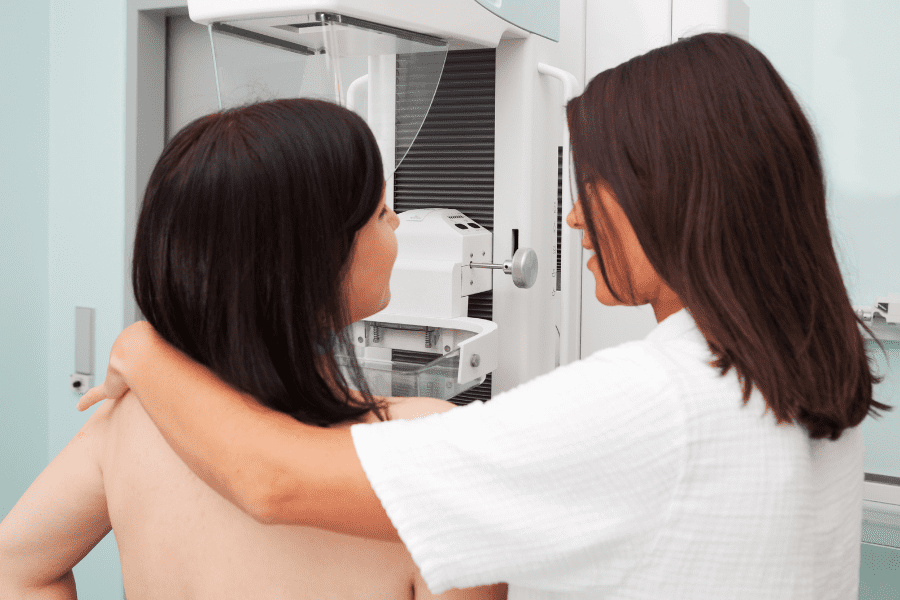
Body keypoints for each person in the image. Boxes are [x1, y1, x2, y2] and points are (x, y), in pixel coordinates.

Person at [76, 33, 892, 600]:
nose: (574, 219)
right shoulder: (812, 370)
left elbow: (271, 479)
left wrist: (141, 350)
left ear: (672, 195)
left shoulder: (652, 405)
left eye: (592, 189)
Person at [0, 99, 507, 600]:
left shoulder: (130, 420)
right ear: (311, 260)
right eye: (377, 212)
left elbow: (16, 569)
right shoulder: (424, 445)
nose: (395, 221)